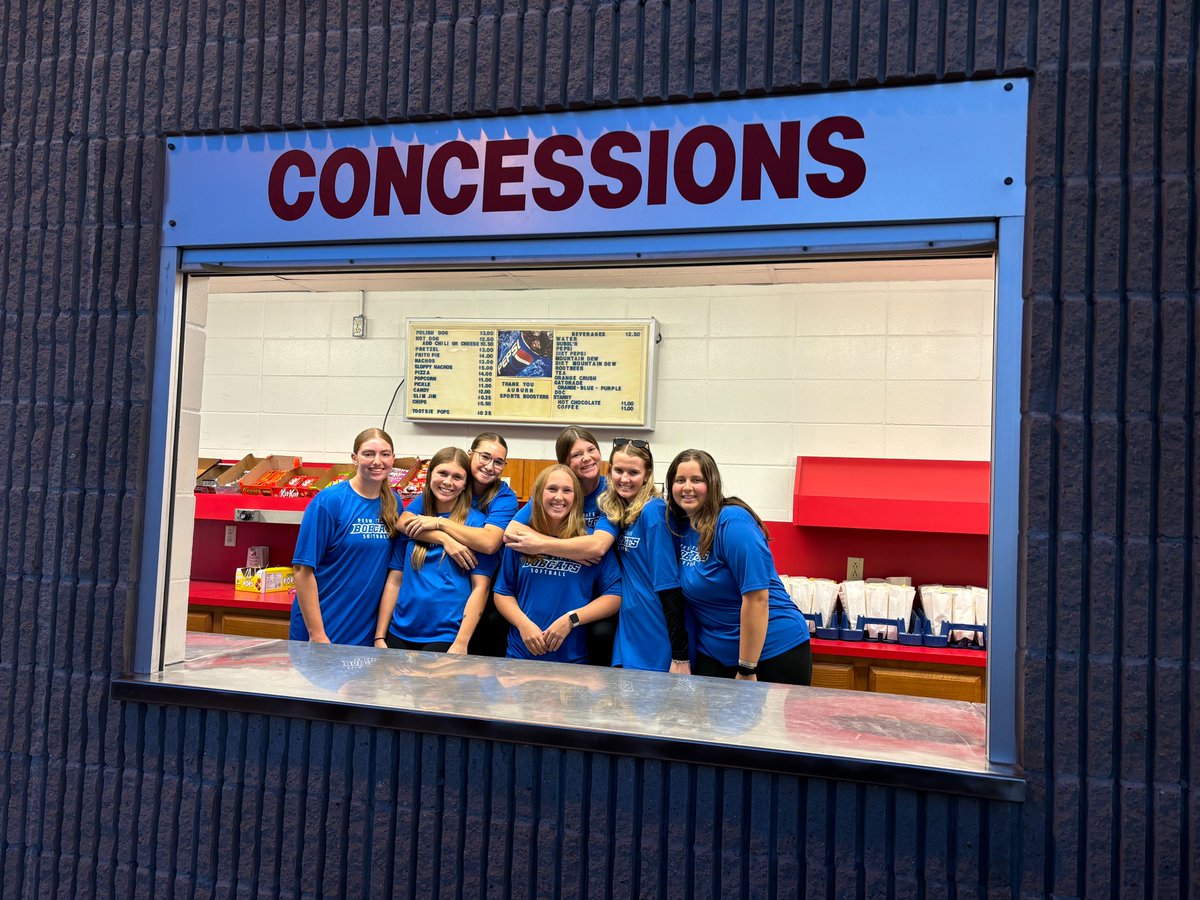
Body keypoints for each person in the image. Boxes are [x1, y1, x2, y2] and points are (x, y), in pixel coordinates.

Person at [665, 449, 812, 685]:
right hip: (715, 651)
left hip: (771, 649)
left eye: (697, 480)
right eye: (680, 480)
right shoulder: (679, 529)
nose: (687, 487)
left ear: (712, 484)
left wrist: (746, 667)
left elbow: (756, 598)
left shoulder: (732, 522)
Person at [503, 427, 620, 664]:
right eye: (577, 455)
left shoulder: (610, 494)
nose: (586, 458)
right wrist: (565, 549)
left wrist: (542, 545)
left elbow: (597, 547)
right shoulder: (554, 485)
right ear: (565, 462)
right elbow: (511, 532)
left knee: (601, 634)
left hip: (592, 585)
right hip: (523, 648)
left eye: (591, 450)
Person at [398, 432, 518, 655]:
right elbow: (404, 522)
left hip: (484, 581)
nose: (489, 466)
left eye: (498, 462)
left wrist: (440, 524)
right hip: (430, 604)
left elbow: (489, 542)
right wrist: (444, 540)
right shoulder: (450, 483)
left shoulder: (503, 497)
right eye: (484, 457)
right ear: (470, 454)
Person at [374, 447, 496, 653]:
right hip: (399, 631)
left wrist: (461, 642)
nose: (448, 482)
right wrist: (380, 635)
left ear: (466, 483)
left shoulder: (476, 525)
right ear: (430, 475)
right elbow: (395, 579)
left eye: (457, 477)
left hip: (446, 635)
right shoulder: (415, 519)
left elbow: (480, 588)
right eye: (442, 473)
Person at [290, 428, 399, 646]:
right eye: (368, 454)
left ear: (393, 459)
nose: (377, 461)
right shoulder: (330, 501)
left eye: (385, 454)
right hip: (323, 628)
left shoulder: (394, 503)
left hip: (365, 631)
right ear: (354, 458)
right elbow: (302, 569)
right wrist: (317, 634)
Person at [595, 438, 691, 673]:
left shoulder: (654, 512)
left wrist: (680, 655)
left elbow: (669, 585)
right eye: (618, 470)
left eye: (633, 472)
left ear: (647, 475)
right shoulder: (621, 511)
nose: (624, 479)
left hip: (655, 625)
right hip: (631, 622)